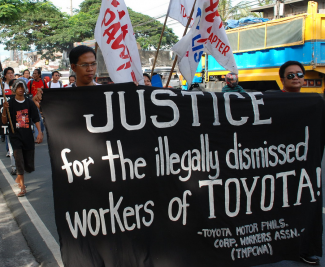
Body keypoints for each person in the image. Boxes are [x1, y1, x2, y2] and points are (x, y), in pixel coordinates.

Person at [279, 60, 319, 265]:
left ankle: (304, 248)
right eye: (291, 75)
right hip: (277, 166)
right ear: (282, 80)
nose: (296, 78)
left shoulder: (313, 104)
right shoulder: (272, 100)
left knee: (304, 207)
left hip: (305, 167)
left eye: (299, 74)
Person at [1, 79, 43, 197]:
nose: (20, 89)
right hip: (15, 136)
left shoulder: (29, 103)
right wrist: (4, 109)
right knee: (18, 159)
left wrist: (39, 132)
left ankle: (19, 178)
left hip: (28, 136)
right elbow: (4, 121)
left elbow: (36, 118)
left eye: (22, 87)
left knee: (28, 164)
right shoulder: (10, 103)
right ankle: (23, 186)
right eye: (18, 87)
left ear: (25, 88)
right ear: (14, 89)